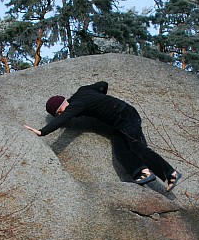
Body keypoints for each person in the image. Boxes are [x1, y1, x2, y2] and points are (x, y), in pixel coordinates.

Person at [24, 80, 182, 191]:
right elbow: (103, 85)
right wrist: (102, 101)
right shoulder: (83, 91)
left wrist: (42, 132)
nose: (61, 114)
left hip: (125, 115)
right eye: (58, 113)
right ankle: (142, 172)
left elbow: (63, 119)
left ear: (63, 103)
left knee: (138, 148)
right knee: (120, 150)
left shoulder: (75, 105)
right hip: (120, 120)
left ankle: (170, 173)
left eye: (59, 111)